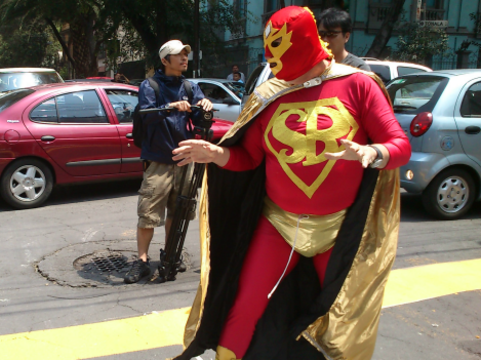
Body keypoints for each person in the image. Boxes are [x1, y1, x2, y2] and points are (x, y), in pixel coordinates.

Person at [170, 6, 410, 360]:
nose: (281, 74)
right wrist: (216, 154)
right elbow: (249, 157)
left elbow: (400, 145)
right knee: (243, 304)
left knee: (346, 316)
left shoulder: (358, 84)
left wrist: (372, 152)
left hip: (339, 229)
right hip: (278, 224)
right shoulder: (269, 94)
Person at [124, 40, 213, 284]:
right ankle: (142, 261)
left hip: (185, 158)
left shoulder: (190, 86)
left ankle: (170, 254)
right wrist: (171, 107)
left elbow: (201, 121)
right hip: (158, 160)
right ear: (165, 60)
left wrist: (205, 106)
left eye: (186, 54)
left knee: (179, 211)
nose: (184, 58)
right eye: (178, 55)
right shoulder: (149, 85)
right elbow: (147, 115)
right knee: (148, 214)